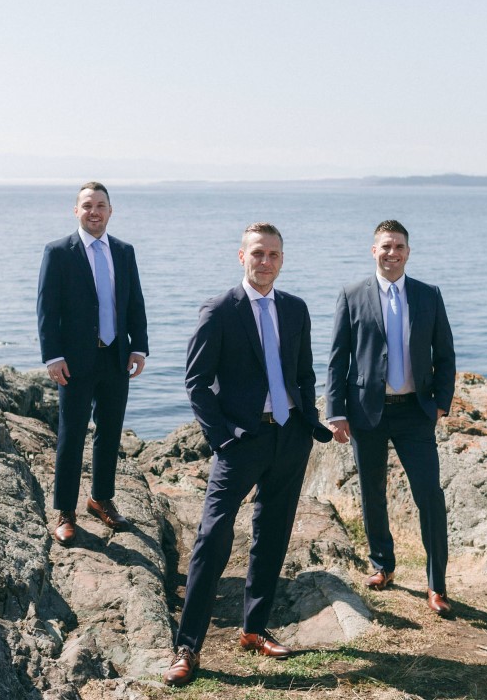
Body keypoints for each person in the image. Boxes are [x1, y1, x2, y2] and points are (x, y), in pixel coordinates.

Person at [164, 222, 333, 688]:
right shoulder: (220, 310)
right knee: (213, 536)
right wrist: (221, 438)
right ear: (242, 257)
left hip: (290, 437)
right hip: (240, 441)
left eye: (274, 255)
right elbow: (197, 383)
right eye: (258, 253)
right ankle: (187, 646)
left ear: (282, 259)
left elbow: (304, 372)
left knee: (273, 532)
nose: (266, 262)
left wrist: (307, 419)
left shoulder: (296, 309)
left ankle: (254, 629)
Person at [325, 220, 456, 615]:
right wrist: (336, 413)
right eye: (385, 246)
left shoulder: (428, 295)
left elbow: (445, 353)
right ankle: (383, 565)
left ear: (408, 252)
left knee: (429, 495)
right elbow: (337, 359)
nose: (392, 252)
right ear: (373, 250)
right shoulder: (351, 295)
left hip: (416, 411)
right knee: (372, 493)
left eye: (398, 246)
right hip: (367, 411)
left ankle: (437, 585)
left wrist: (442, 402)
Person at [37, 182, 148, 546]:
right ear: (76, 211)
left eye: (101, 205)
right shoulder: (58, 252)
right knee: (71, 435)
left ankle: (101, 499)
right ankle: (65, 511)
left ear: (110, 211)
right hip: (74, 361)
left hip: (116, 356)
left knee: (110, 431)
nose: (94, 212)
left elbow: (134, 303)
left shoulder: (124, 251)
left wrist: (139, 347)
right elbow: (46, 309)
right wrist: (52, 356)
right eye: (87, 206)